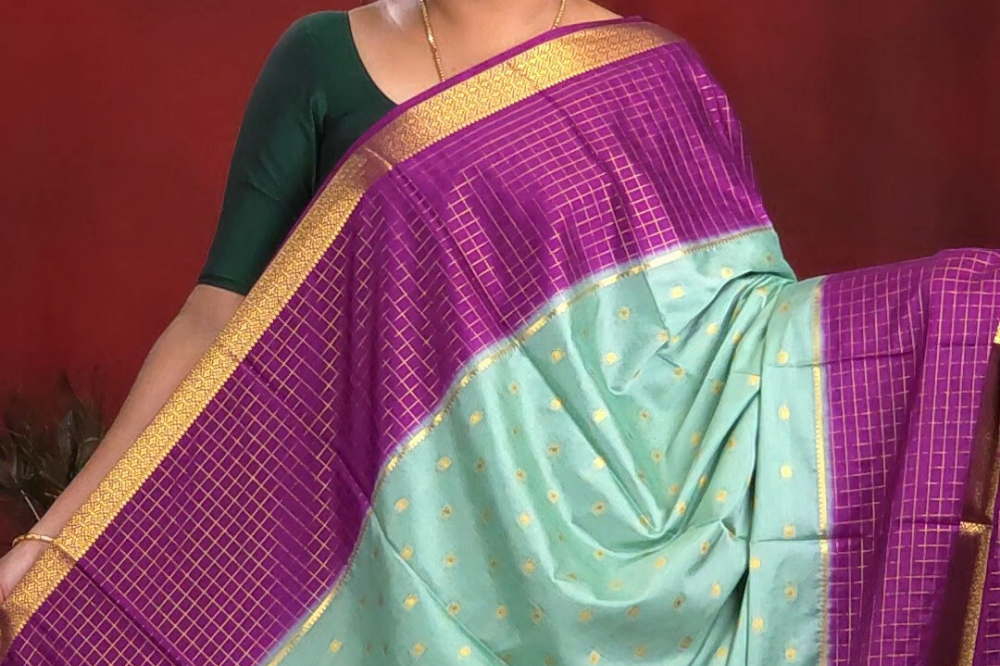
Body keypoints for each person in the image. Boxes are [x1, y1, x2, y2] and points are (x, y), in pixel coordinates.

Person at [1, 1, 998, 664]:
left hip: (641, 547)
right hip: (396, 572)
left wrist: (957, 318)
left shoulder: (650, 76)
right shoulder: (322, 60)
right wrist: (55, 538)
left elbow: (737, 343)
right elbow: (216, 316)